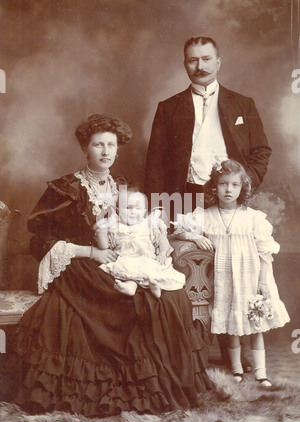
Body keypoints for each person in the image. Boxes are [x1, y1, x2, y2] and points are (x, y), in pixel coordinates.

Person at [1, 114, 212, 417]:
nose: (105, 151)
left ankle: (165, 377)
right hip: (82, 265)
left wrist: (157, 248)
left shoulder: (121, 187)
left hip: (123, 260)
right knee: (128, 299)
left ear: (117, 149)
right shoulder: (67, 188)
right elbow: (39, 240)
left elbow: (145, 226)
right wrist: (88, 251)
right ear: (85, 149)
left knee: (169, 297)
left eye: (110, 145)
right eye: (97, 145)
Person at [144, 35, 272, 368]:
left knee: (235, 269)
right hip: (185, 199)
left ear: (218, 61)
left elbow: (261, 151)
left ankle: (244, 359)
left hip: (230, 199)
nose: (199, 66)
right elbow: (155, 164)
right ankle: (191, 357)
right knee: (189, 276)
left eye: (205, 59)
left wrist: (243, 189)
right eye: (192, 60)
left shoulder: (243, 103)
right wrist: (162, 210)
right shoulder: (168, 107)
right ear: (184, 63)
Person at [173, 159, 290, 386]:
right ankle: (236, 369)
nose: (228, 190)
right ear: (214, 187)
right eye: (223, 184)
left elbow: (265, 252)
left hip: (251, 276)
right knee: (231, 325)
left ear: (242, 188)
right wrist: (195, 236)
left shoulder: (252, 217)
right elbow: (178, 231)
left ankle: (261, 373)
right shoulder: (205, 215)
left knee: (257, 325)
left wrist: (263, 282)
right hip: (225, 279)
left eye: (234, 185)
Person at [95, 188, 186, 298]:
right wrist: (101, 233)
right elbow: (104, 246)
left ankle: (157, 288)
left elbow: (163, 241)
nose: (133, 212)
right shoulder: (114, 227)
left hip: (148, 259)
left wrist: (162, 253)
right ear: (118, 210)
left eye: (138, 208)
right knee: (129, 274)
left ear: (144, 211)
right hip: (126, 260)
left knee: (155, 272)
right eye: (128, 208)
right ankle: (131, 287)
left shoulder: (149, 225)